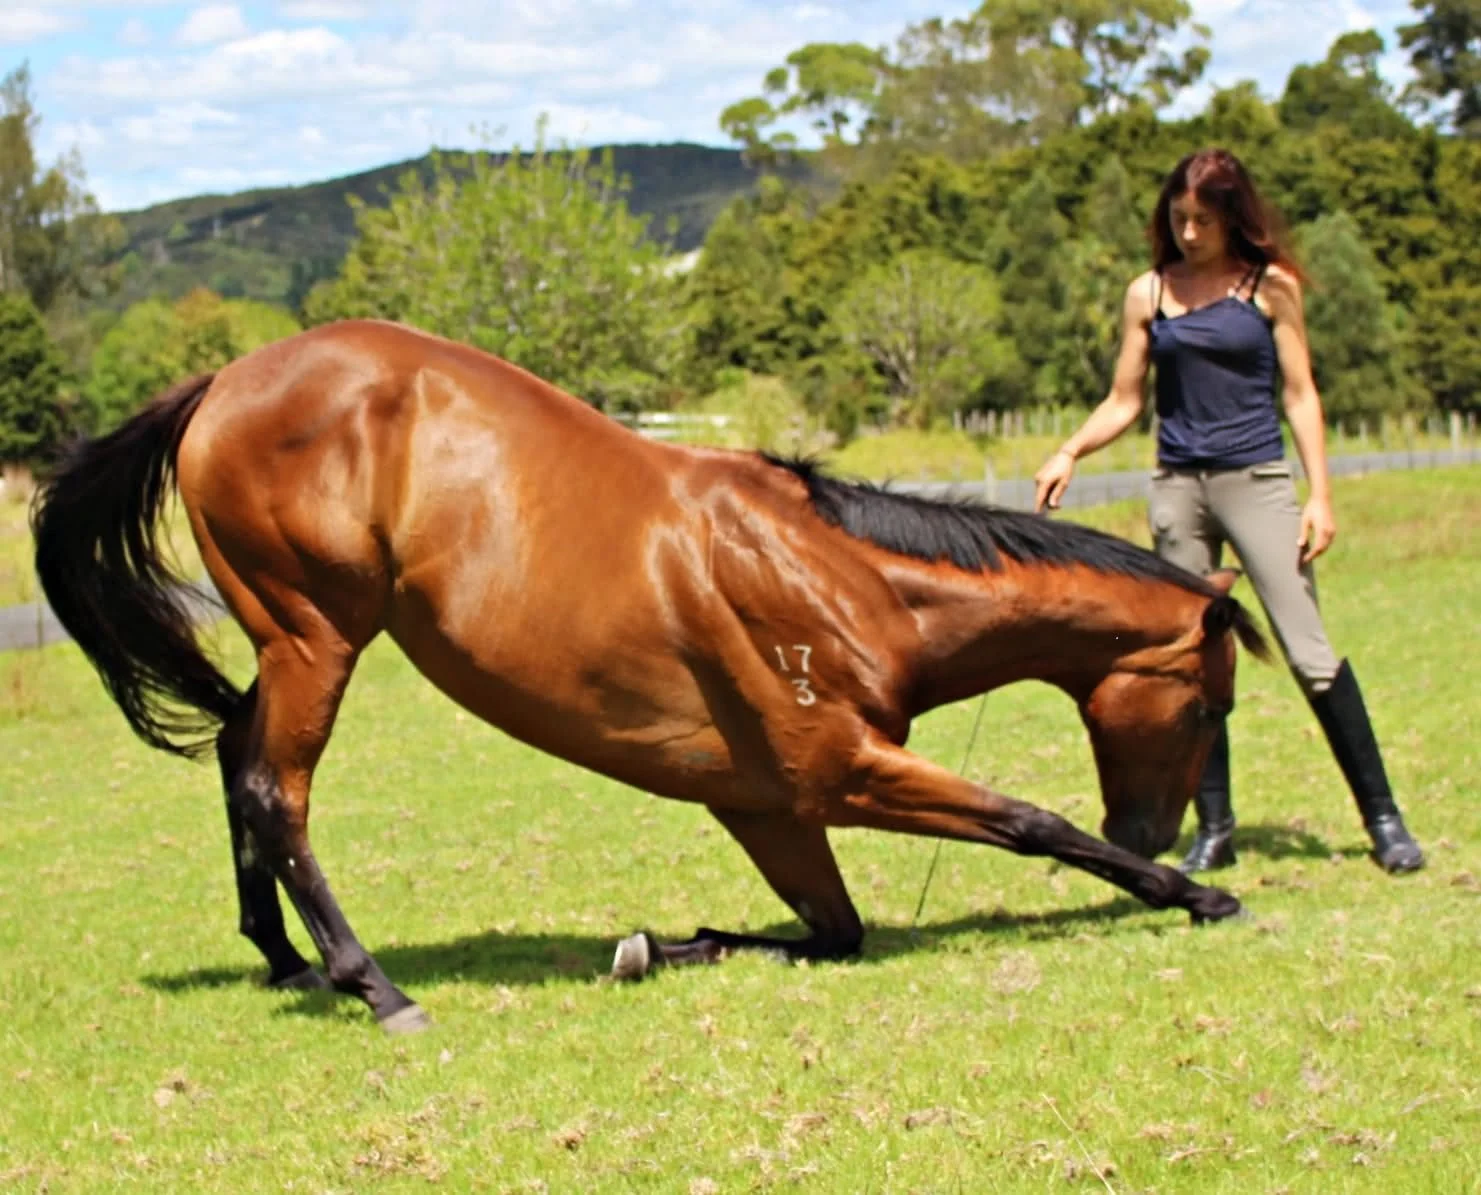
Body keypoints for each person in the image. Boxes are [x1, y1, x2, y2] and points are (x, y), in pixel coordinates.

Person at [1032, 146, 1423, 876]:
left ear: (1232, 217)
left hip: (1256, 482)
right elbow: (1125, 399)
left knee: (1307, 650)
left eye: (1202, 220)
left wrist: (1320, 495)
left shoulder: (1268, 289)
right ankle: (1214, 828)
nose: (1187, 233)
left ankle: (1383, 820)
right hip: (1178, 490)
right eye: (1178, 218)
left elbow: (1300, 395)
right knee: (1190, 663)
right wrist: (1068, 451)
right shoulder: (1147, 293)